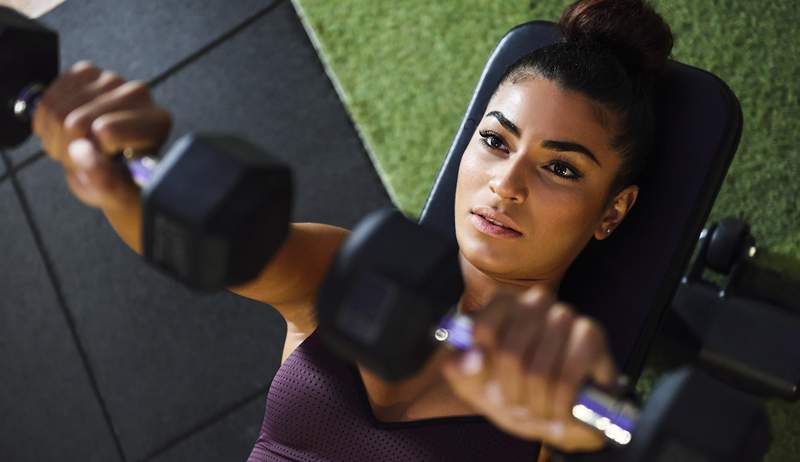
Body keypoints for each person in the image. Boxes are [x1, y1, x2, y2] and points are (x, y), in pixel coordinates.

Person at [33, 0, 673, 459]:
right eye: (496, 141)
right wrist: (112, 180)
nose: (506, 184)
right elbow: (234, 252)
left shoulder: (560, 415)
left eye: (560, 166)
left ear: (613, 210)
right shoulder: (350, 269)